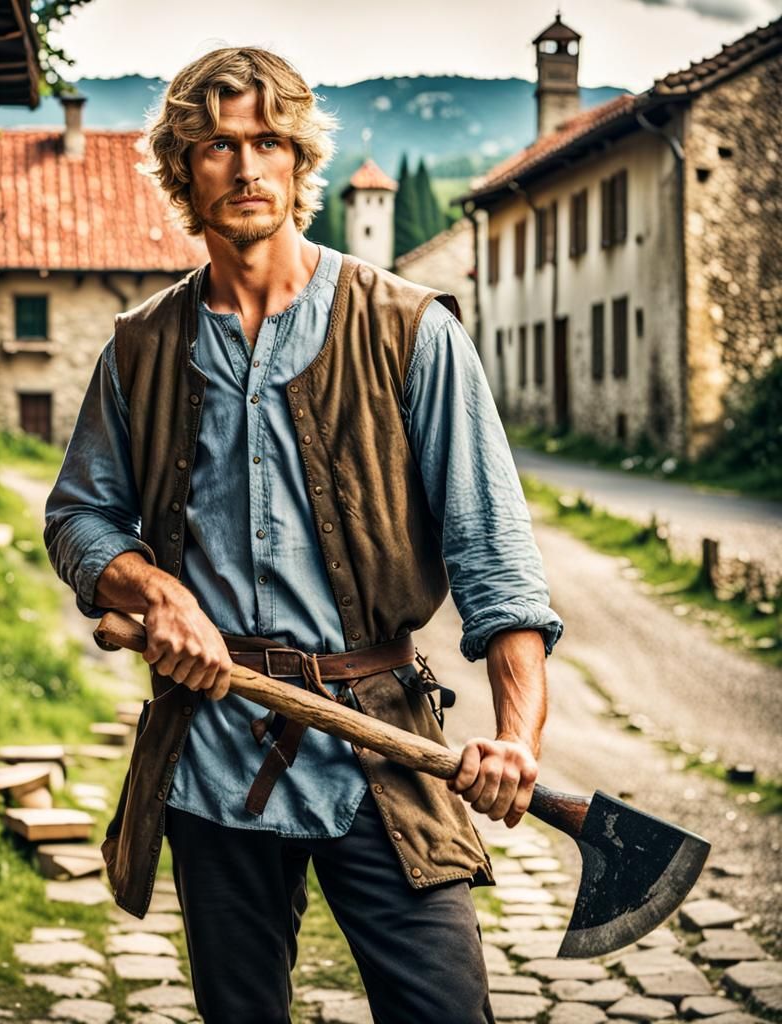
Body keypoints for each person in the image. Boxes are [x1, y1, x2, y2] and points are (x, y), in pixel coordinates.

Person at [44, 46, 563, 1024]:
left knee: (445, 1008)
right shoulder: (139, 348)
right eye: (218, 146)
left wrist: (515, 737)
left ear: (299, 163)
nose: (246, 168)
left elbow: (495, 559)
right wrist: (152, 592)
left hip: (379, 741)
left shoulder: (411, 331)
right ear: (179, 168)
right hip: (212, 751)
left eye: (270, 143)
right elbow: (77, 513)